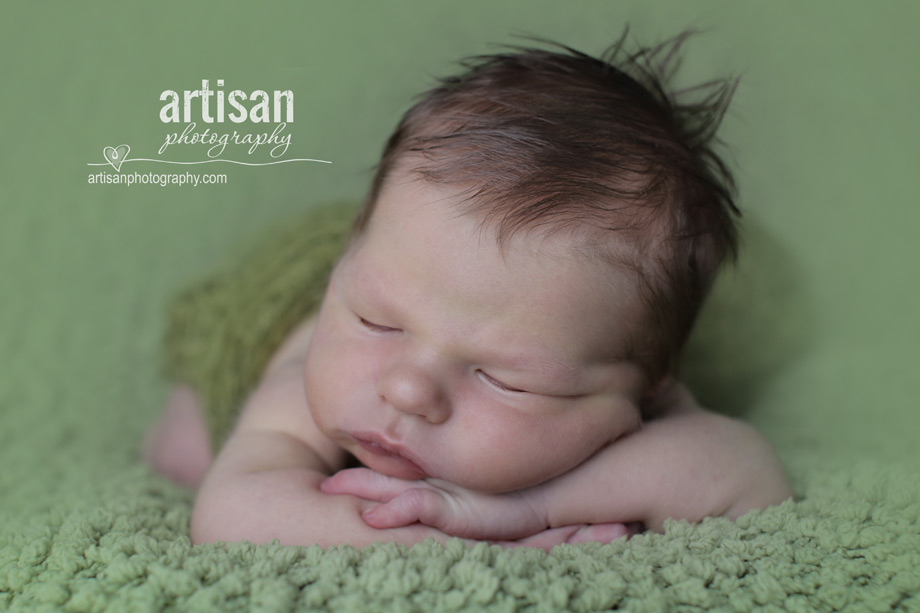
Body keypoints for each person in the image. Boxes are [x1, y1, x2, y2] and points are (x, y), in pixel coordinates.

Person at [144, 30, 792, 550]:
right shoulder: (318, 372)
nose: (405, 388)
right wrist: (456, 542)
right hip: (266, 296)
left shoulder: (610, 353)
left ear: (644, 387)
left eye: (504, 379)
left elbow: (744, 476)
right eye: (376, 322)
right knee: (190, 452)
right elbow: (235, 513)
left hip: (416, 267)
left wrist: (521, 508)